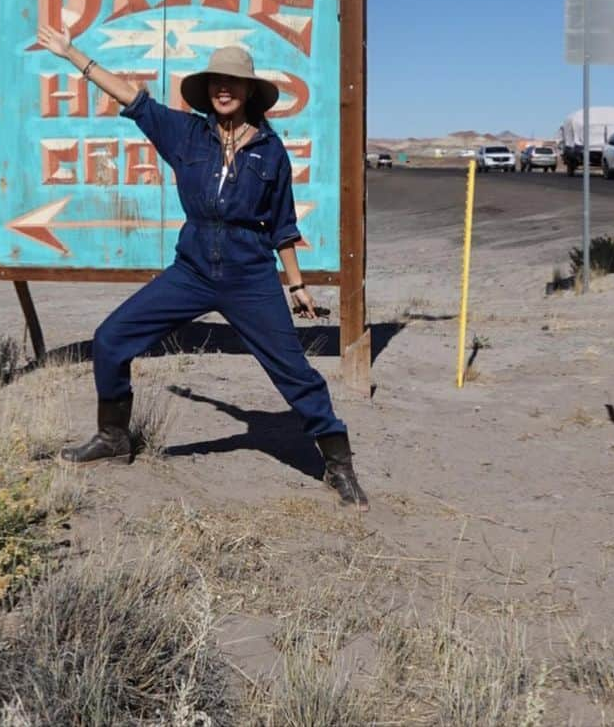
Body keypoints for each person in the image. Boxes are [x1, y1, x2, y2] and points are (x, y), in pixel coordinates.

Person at [36, 27, 368, 511]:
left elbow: (282, 224)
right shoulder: (186, 133)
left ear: (251, 90)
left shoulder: (271, 152)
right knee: (110, 339)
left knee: (294, 372)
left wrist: (295, 282)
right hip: (191, 271)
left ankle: (337, 462)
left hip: (250, 277)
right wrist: (74, 57)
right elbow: (134, 99)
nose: (223, 89)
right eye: (216, 82)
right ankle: (113, 438)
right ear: (207, 90)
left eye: (233, 82)